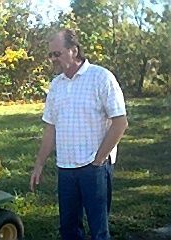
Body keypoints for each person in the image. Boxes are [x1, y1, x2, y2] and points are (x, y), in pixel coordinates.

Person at [30, 29, 128, 240]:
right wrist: (39, 164)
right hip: (65, 168)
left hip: (94, 168)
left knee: (98, 230)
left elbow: (120, 123)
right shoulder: (56, 85)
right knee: (69, 229)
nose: (53, 59)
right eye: (50, 55)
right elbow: (50, 128)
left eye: (57, 54)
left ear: (73, 51)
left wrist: (99, 159)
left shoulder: (101, 77)